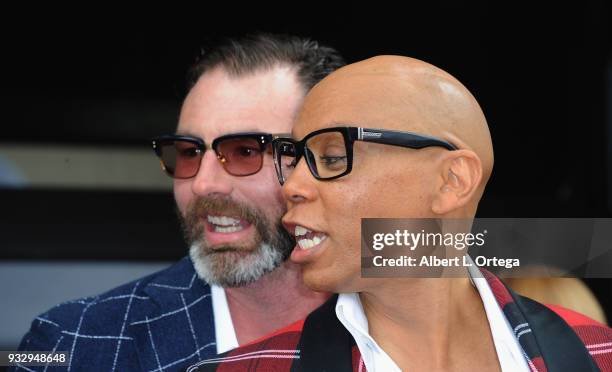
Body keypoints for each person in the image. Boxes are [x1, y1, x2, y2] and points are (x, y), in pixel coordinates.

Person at [188, 55, 612, 371]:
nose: (293, 187)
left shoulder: (597, 353)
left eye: (333, 157)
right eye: (295, 159)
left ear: (452, 181)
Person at [12, 33, 344, 372]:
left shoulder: (393, 318)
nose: (202, 184)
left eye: (246, 152)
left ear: (329, 160)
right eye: (189, 153)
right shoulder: (71, 344)